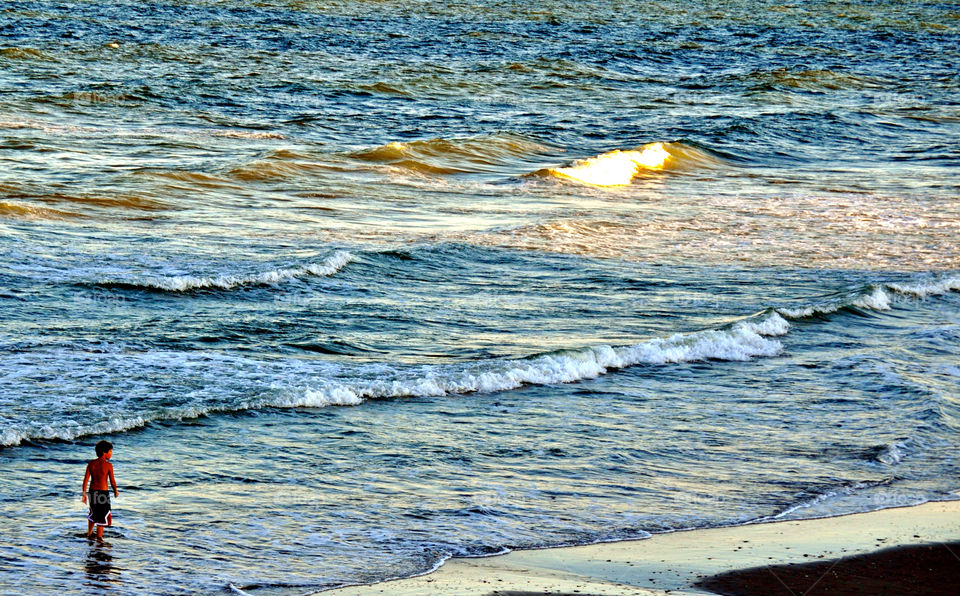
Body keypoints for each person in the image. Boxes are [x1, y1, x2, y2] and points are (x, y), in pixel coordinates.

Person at [82, 440, 119, 540]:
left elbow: (85, 480)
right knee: (102, 517)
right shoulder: (108, 465)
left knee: (93, 512)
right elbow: (112, 481)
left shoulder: (91, 464)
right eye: (110, 451)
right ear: (104, 452)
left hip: (92, 492)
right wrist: (116, 491)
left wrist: (84, 493)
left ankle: (89, 533)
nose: (111, 454)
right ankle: (99, 538)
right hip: (103, 494)